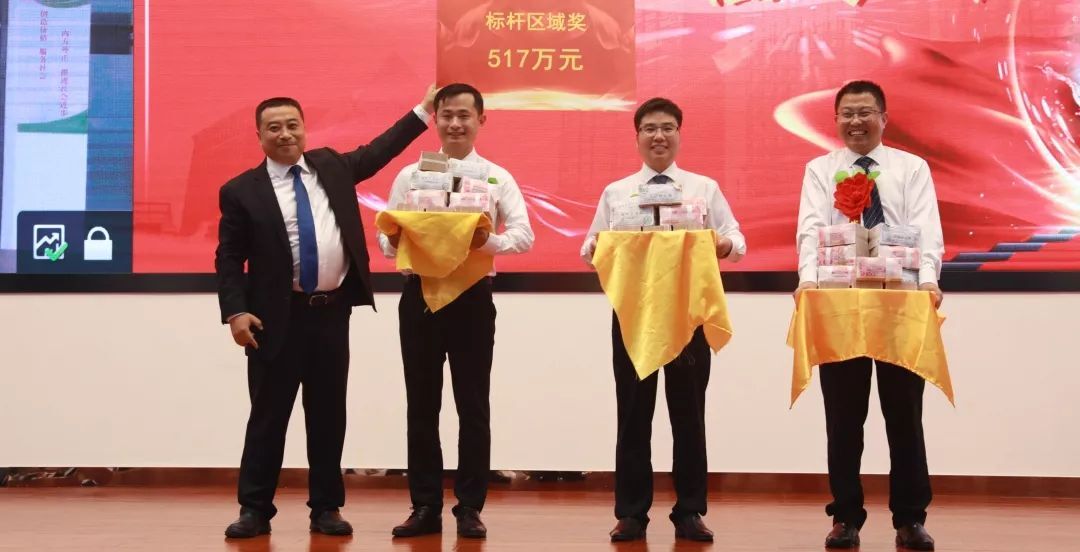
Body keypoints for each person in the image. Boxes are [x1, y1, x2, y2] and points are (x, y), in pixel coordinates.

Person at [215, 86, 436, 538]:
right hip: (273, 320)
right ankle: (254, 509)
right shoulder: (240, 191)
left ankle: (326, 508)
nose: (284, 134)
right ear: (259, 136)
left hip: (331, 315)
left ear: (304, 128)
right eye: (273, 128)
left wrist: (424, 110)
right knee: (268, 418)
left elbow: (380, 150)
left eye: (292, 125)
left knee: (328, 416)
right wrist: (235, 313)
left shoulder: (331, 166)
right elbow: (229, 258)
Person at [580, 97, 746, 542]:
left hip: (688, 313)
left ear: (679, 134)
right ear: (637, 136)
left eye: (668, 127)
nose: (659, 136)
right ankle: (631, 514)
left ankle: (690, 511)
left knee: (689, 416)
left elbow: (736, 239)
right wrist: (597, 247)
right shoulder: (617, 192)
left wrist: (722, 245)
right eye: (650, 128)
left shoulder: (702, 189)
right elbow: (589, 247)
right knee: (633, 415)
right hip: (634, 316)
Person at [376, 83, 534, 539]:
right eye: (446, 115)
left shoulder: (497, 178)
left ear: (481, 120)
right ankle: (424, 506)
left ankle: (469, 507)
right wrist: (396, 239)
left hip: (472, 299)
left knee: (473, 406)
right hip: (419, 296)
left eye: (464, 115)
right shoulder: (410, 175)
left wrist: (489, 241)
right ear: (436, 119)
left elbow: (524, 236)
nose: (455, 124)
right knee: (421, 406)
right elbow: (386, 243)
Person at [794, 80, 944, 551]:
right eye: (847, 114)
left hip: (899, 302)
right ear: (836, 120)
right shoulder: (820, 169)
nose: (856, 121)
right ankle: (845, 516)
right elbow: (811, 229)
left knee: (905, 415)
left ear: (884, 117)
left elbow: (926, 227)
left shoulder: (910, 167)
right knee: (843, 417)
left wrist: (928, 279)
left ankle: (910, 519)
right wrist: (807, 279)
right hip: (839, 303)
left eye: (865, 112)